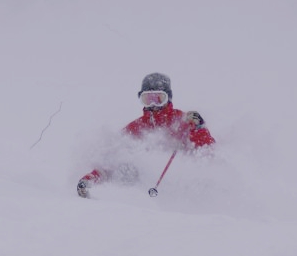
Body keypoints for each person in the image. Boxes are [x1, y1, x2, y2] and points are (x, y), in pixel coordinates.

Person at [76, 73, 216, 198]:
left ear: (168, 98)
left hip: (180, 184)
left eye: (159, 98)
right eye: (148, 99)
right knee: (126, 168)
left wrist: (199, 128)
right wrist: (90, 179)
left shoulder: (183, 120)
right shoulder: (135, 128)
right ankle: (130, 206)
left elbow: (207, 151)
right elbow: (112, 161)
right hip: (145, 189)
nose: (153, 104)